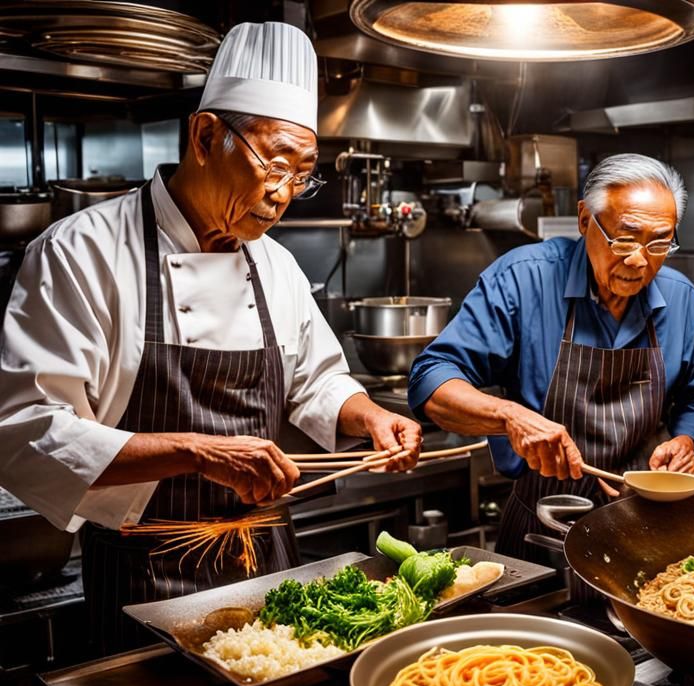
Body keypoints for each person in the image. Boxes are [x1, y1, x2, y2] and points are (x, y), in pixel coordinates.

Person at [0, 22, 421, 654]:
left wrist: (370, 416)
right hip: (147, 576)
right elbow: (31, 429)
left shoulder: (275, 263)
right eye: (272, 164)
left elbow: (318, 379)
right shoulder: (81, 251)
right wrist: (199, 452)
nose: (282, 196)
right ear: (204, 136)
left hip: (272, 568)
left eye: (301, 174)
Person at [409, 153, 694, 563]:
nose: (640, 260)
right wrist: (510, 418)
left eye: (660, 242)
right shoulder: (522, 279)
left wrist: (686, 440)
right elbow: (431, 379)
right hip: (543, 527)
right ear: (586, 220)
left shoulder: (681, 299)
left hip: (644, 527)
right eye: (625, 238)